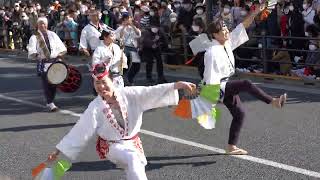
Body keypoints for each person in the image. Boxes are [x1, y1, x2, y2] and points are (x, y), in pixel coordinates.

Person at [46, 68, 196, 180]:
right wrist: (58, 151)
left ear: (113, 81)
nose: (101, 87)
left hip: (133, 142)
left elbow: (150, 91)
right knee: (132, 159)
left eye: (104, 82)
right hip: (111, 145)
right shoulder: (95, 106)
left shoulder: (129, 94)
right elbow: (80, 131)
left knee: (136, 166)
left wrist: (177, 85)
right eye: (97, 83)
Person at [204, 4, 287, 155]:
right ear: (215, 35)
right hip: (218, 86)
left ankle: (231, 147)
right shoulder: (211, 52)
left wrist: (256, 11)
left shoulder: (227, 42)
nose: (227, 31)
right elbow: (209, 77)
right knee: (246, 83)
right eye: (223, 30)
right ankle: (273, 101)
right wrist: (213, 98)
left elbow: (243, 25)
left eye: (226, 29)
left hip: (226, 84)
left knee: (239, 114)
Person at [27, 17, 67, 111]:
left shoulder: (53, 34)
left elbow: (61, 47)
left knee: (54, 82)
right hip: (44, 62)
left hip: (54, 62)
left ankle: (51, 99)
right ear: (38, 25)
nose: (42, 25)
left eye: (44, 23)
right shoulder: (34, 36)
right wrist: (37, 55)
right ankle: (50, 102)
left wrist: (60, 55)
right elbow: (32, 50)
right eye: (40, 23)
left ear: (47, 24)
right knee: (46, 83)